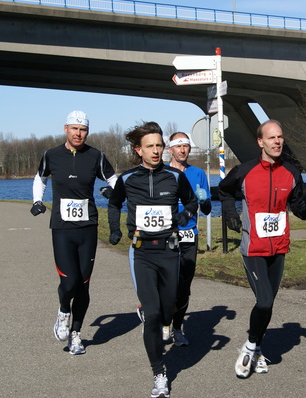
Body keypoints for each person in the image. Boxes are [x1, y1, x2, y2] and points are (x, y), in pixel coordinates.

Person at [107, 122, 197, 398]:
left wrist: (182, 218)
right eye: (150, 146)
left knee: (167, 310)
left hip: (170, 251)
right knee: (154, 315)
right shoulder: (127, 179)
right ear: (138, 150)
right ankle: (159, 373)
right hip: (143, 252)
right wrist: (115, 229)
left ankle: (159, 316)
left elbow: (191, 202)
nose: (156, 150)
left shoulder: (174, 176)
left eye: (159, 145)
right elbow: (113, 203)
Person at [218, 119, 306, 378]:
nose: (277, 141)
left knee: (268, 304)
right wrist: (230, 214)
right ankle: (249, 347)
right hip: (253, 248)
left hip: (278, 247)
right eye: (272, 138)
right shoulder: (244, 171)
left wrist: (304, 205)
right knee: (264, 300)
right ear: (261, 142)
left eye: (280, 137)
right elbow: (224, 191)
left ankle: (258, 349)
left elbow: (301, 208)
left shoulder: (291, 173)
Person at [31, 110, 117, 355]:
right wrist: (37, 201)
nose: (79, 134)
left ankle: (76, 334)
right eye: (74, 129)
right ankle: (63, 311)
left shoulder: (96, 156)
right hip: (62, 228)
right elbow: (40, 179)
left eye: (83, 130)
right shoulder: (51, 155)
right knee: (69, 282)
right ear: (65, 129)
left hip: (87, 227)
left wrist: (114, 193)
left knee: (84, 283)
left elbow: (114, 180)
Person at [161, 131, 212, 346]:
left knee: (184, 286)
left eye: (186, 146)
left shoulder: (198, 174)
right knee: (166, 284)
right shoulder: (161, 172)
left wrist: (203, 199)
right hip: (166, 234)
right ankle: (163, 323)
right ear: (170, 149)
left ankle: (178, 328)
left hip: (190, 235)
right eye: (178, 146)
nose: (183, 150)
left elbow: (208, 209)